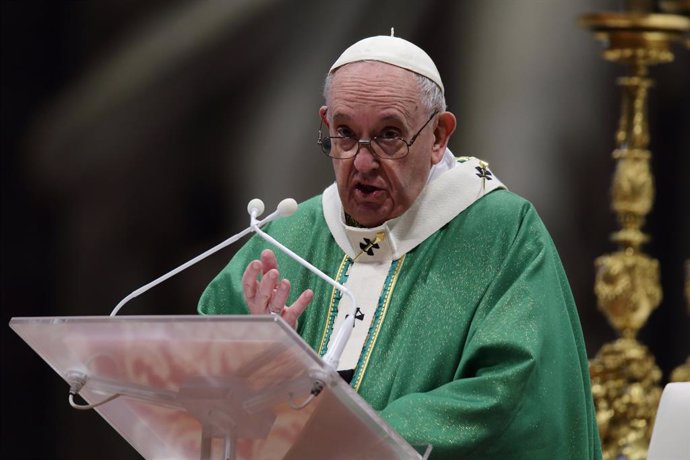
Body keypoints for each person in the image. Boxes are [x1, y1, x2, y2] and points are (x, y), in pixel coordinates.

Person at [199, 34, 602, 459]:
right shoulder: (288, 236)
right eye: (345, 134)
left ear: (438, 136)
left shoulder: (501, 233)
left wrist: (363, 440)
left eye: (389, 135)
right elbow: (194, 380)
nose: (363, 162)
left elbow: (515, 392)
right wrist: (259, 362)